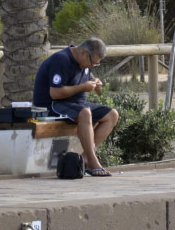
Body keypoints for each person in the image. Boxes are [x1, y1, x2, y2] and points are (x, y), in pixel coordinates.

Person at [33, 38, 119, 177]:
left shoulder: (86, 63)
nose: (92, 66)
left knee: (112, 115)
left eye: (96, 64)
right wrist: (83, 87)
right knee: (85, 113)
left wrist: (97, 85)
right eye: (93, 62)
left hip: (75, 105)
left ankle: (85, 159)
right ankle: (93, 161)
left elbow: (97, 92)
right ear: (84, 52)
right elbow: (55, 93)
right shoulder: (61, 60)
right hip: (52, 105)